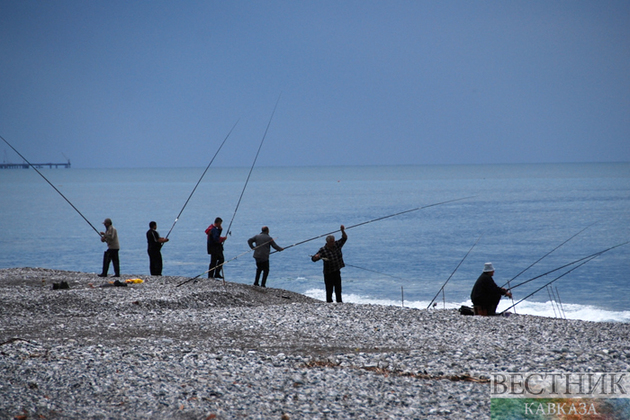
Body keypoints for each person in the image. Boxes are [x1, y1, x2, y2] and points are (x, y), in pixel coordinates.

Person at [311, 225, 347, 303]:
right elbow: (314, 259)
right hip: (328, 273)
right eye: (331, 242)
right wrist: (316, 257)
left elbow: (344, 238)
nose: (333, 243)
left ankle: (339, 302)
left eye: (333, 241)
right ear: (327, 242)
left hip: (337, 270)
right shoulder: (323, 250)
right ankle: (329, 303)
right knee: (329, 289)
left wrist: (342, 231)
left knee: (338, 288)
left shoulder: (337, 244)